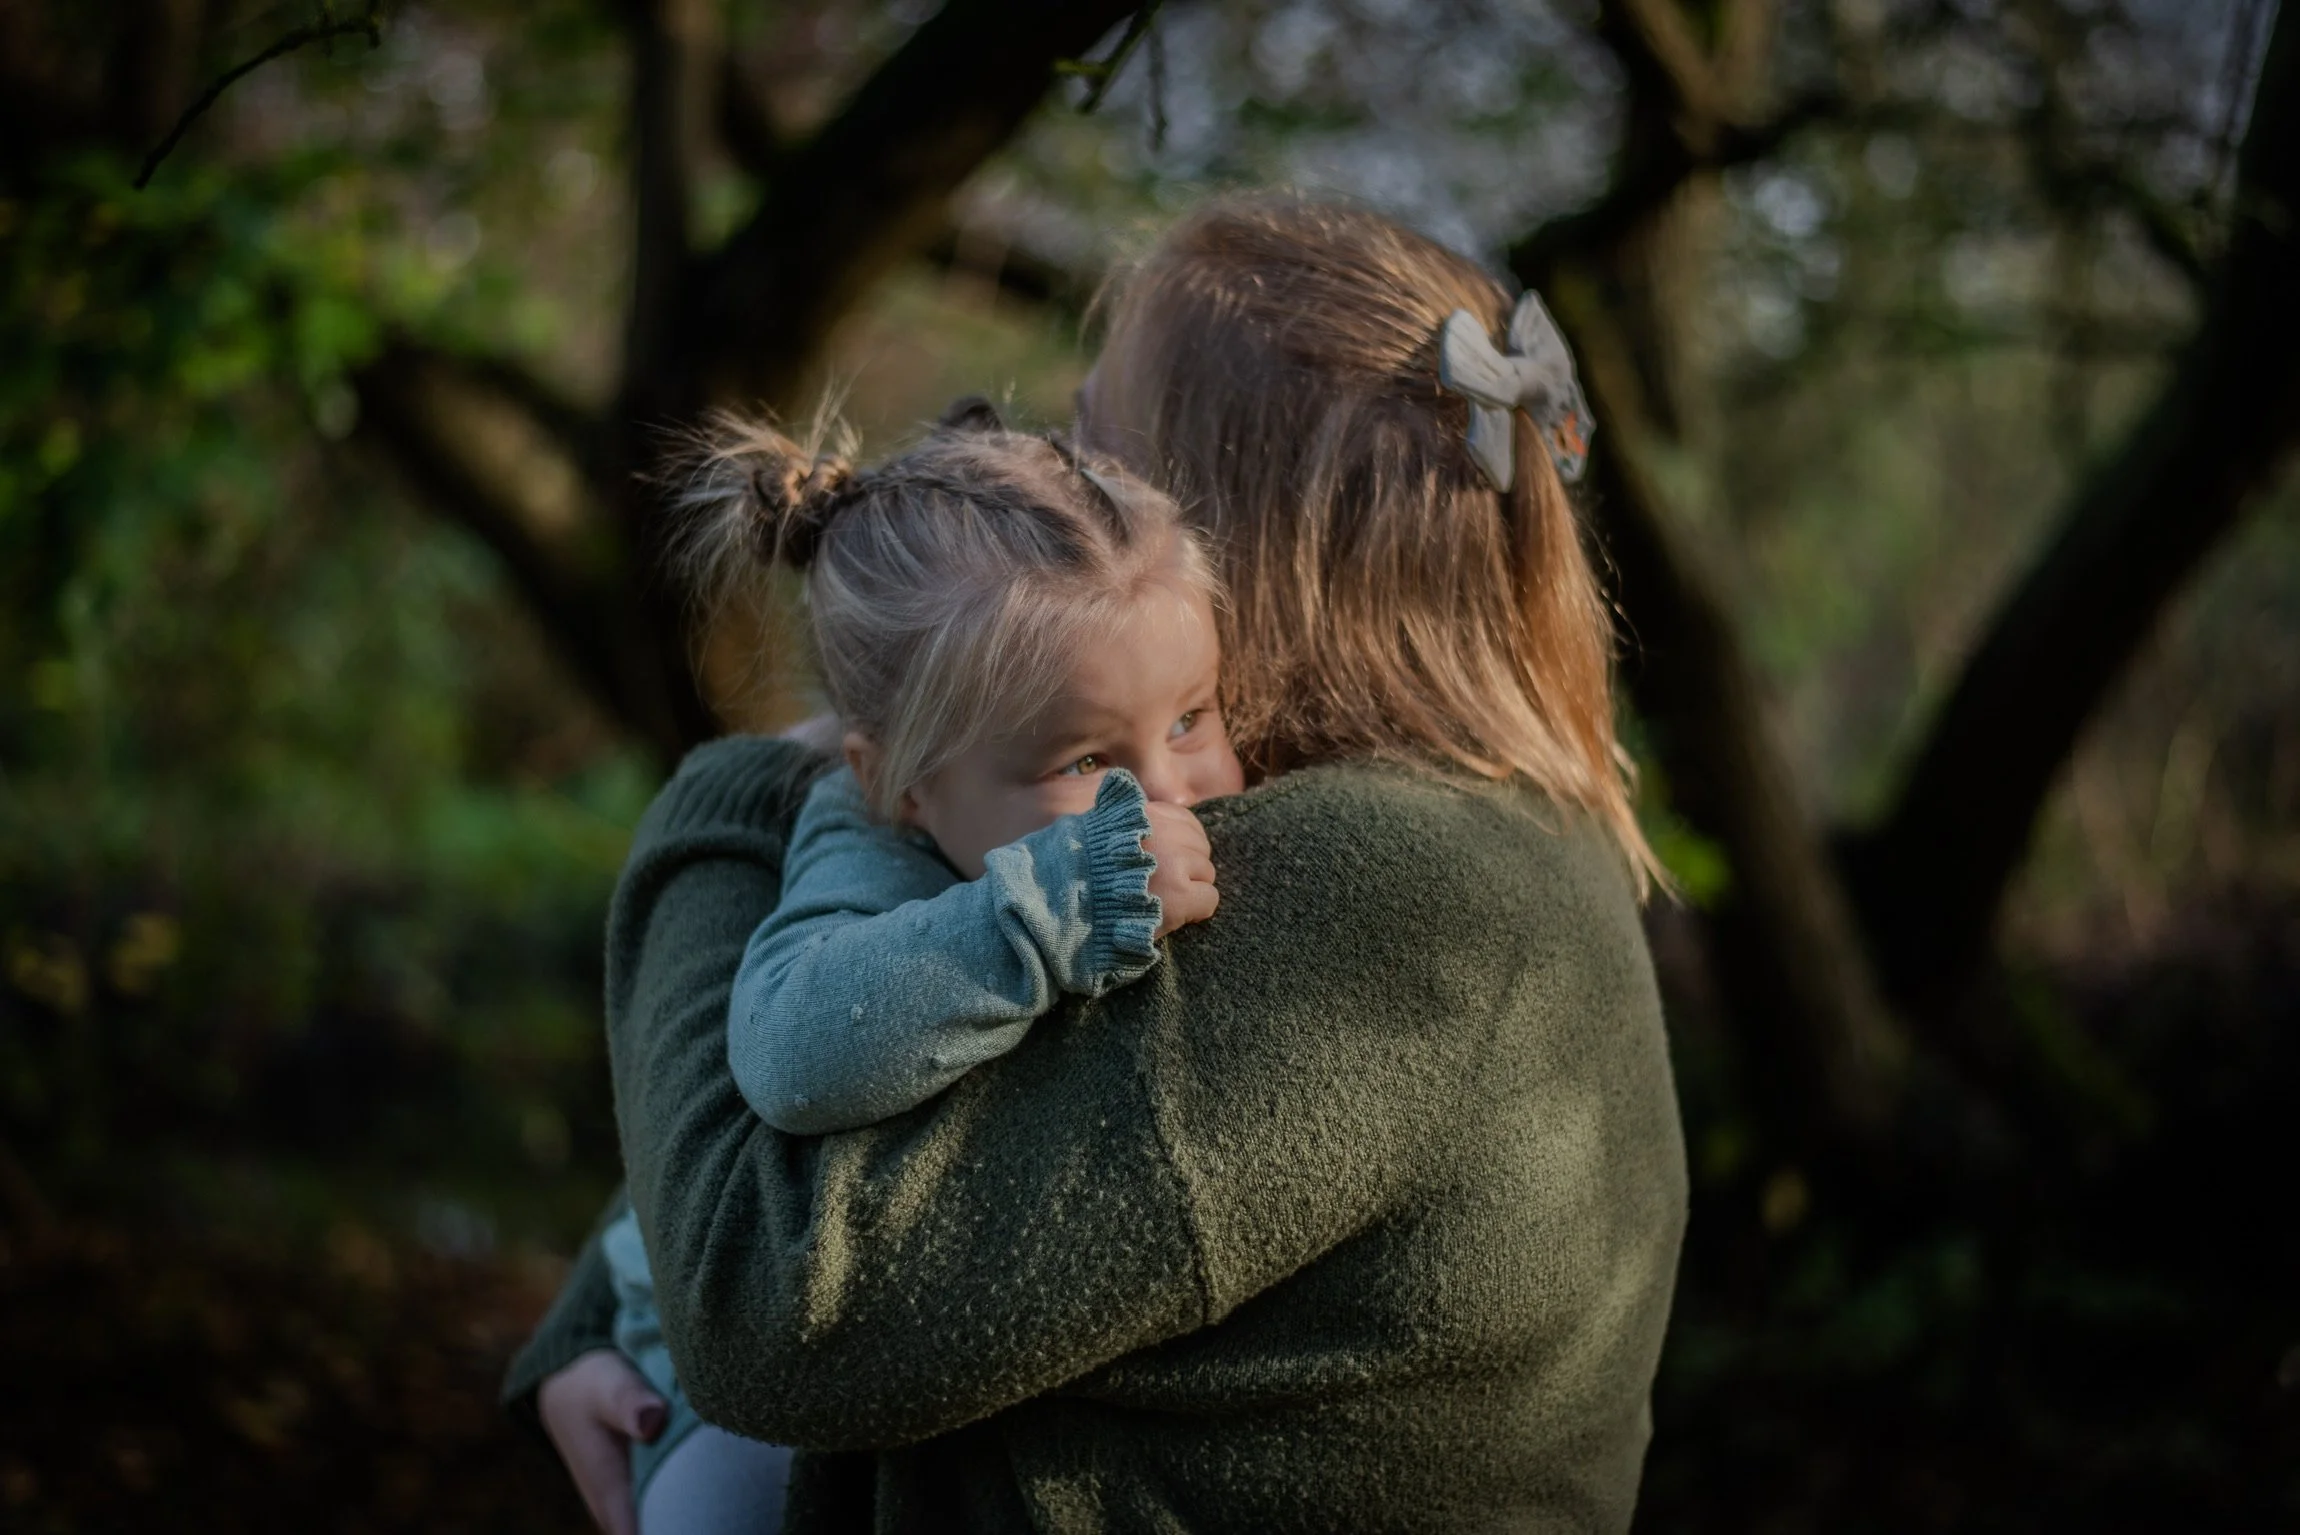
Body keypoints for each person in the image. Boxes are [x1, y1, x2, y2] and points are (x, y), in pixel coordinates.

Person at [510, 193, 1690, 1534]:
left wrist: (730, 796)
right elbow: (881, 1060)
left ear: (1218, 529)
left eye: (1093, 444)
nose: (1048, 479)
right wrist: (605, 1312)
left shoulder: (1379, 880)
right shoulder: (1445, 829)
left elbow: (769, 1306)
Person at [600, 409, 1242, 1531]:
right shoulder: (860, 847)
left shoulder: (1022, 790)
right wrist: (1055, 907)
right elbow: (793, 1048)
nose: (1164, 793)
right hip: (704, 1387)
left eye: (1190, 717)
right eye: (1085, 759)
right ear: (896, 779)